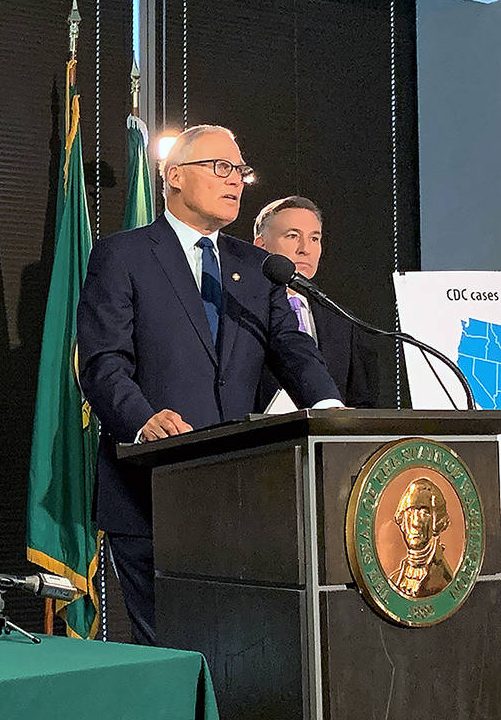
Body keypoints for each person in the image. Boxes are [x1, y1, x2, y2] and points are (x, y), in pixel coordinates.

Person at [76, 124, 341, 645]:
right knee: (170, 648)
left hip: (237, 495)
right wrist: (142, 419)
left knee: (236, 650)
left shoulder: (257, 266)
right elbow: (103, 362)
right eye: (220, 167)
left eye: (240, 170)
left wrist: (331, 410)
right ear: (174, 176)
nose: (235, 180)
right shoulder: (124, 254)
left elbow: (293, 350)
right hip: (151, 488)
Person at [252, 195, 378, 410]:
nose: (305, 249)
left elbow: (362, 402)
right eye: (292, 236)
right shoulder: (241, 310)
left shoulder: (341, 320)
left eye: (314, 238)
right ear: (260, 245)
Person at [388, 477, 455, 598]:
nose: (415, 523)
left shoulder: (444, 580)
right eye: (410, 512)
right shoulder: (395, 580)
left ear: (437, 522)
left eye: (424, 513)